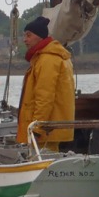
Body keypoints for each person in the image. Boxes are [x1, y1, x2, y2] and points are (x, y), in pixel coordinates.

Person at [16, 15, 75, 151]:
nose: (25, 40)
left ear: (40, 37)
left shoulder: (47, 60)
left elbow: (45, 97)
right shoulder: (48, 57)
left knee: (44, 159)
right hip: (51, 130)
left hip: (46, 132)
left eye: (28, 35)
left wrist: (37, 127)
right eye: (25, 36)